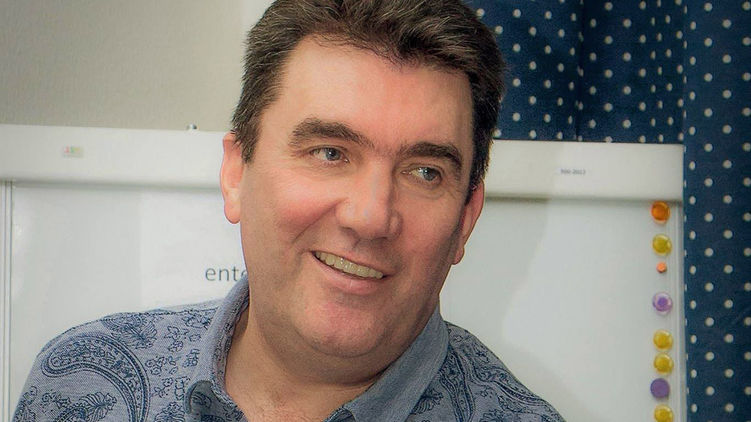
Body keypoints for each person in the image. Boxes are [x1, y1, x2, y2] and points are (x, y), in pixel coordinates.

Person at [14, 1, 564, 421]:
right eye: (329, 153)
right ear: (236, 172)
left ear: (466, 219)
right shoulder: (80, 385)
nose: (370, 217)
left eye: (424, 172)